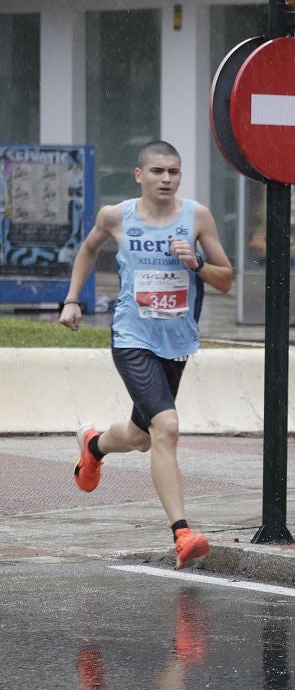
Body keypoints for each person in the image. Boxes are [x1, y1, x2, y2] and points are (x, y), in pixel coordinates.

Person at [61, 140, 234, 567]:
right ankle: (182, 533)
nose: (167, 179)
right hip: (132, 337)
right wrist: (72, 299)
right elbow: (88, 249)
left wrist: (195, 264)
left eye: (173, 172)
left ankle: (94, 446)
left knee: (142, 438)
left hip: (177, 342)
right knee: (168, 427)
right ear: (139, 175)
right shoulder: (117, 216)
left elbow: (226, 278)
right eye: (158, 171)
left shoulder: (197, 217)